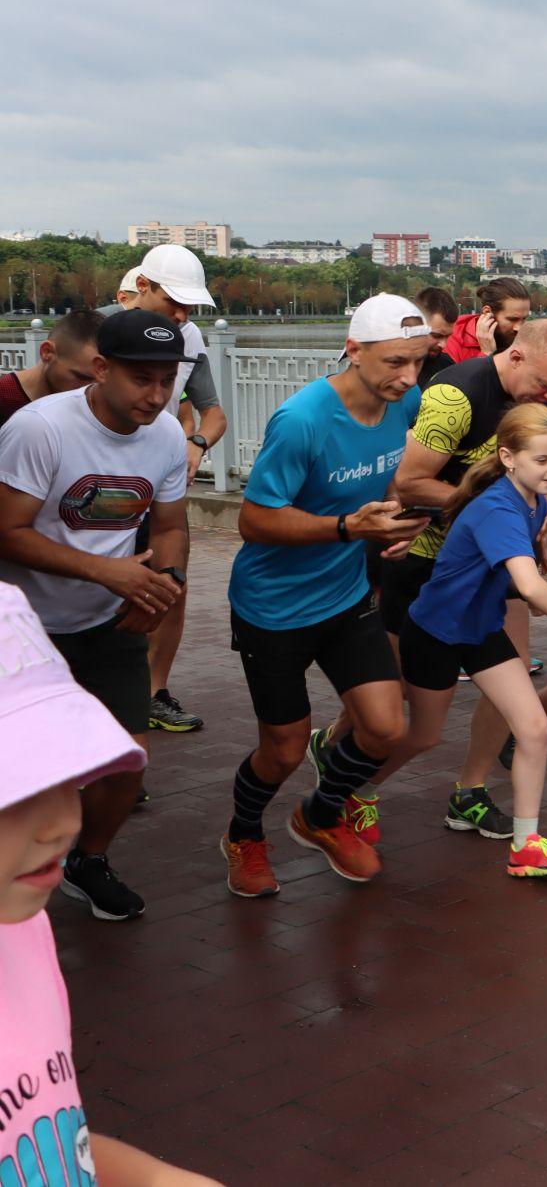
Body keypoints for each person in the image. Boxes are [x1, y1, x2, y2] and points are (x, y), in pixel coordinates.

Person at [0, 581, 223, 1185]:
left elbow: (39, 1133)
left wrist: (155, 1179)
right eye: (15, 791)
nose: (65, 822)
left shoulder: (23, 925)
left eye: (66, 776)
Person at [217, 295, 433, 898]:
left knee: (385, 728)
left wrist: (394, 518)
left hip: (345, 595)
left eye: (418, 361)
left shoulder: (405, 401)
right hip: (273, 606)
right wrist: (348, 528)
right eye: (396, 362)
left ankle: (318, 815)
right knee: (284, 750)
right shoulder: (301, 420)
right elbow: (254, 521)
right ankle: (243, 834)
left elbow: (388, 476)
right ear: (354, 350)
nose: (409, 377)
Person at [0, 309, 193, 921]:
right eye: (142, 379)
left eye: (167, 380)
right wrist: (108, 572)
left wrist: (163, 583)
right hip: (23, 631)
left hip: (109, 623)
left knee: (126, 764)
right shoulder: (40, 429)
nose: (156, 396)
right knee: (21, 773)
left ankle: (87, 861)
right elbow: (7, 532)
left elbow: (170, 526)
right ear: (102, 369)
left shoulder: (166, 435)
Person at [375, 319, 547, 837]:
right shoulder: (456, 397)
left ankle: (469, 790)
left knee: (511, 679)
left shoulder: (542, 396)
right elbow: (409, 480)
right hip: (424, 563)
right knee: (393, 704)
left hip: (496, 569)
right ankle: (341, 768)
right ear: (517, 357)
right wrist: (499, 513)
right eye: (545, 384)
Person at [398, 404, 547, 878]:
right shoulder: (498, 507)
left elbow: (507, 575)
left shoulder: (534, 502)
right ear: (508, 457)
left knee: (534, 727)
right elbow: (528, 584)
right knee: (420, 736)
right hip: (436, 632)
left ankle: (526, 845)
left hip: (481, 629)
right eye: (542, 460)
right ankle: (349, 793)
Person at [100, 247, 224, 738]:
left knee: (171, 584)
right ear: (142, 286)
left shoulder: (189, 337)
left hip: (157, 484)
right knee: (101, 586)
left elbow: (213, 414)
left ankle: (153, 692)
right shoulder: (99, 329)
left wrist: (195, 444)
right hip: (96, 484)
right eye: (173, 302)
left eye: (189, 306)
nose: (181, 315)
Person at [0, 309, 102, 426]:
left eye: (102, 379)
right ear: (47, 352)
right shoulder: (4, 396)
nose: (91, 389)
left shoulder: (99, 405)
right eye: (82, 377)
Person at [441, 276, 531, 363]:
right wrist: (486, 354)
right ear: (488, 312)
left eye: (524, 319)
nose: (519, 328)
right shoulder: (454, 339)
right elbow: (454, 374)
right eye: (512, 319)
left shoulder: (528, 340)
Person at [414, 285, 460, 382]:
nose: (443, 345)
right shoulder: (389, 366)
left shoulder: (447, 366)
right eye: (436, 336)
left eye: (448, 336)